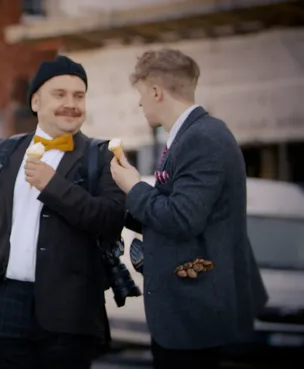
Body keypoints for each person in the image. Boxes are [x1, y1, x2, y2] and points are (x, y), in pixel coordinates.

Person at [109, 48, 268, 369]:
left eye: (141, 95)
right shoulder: (191, 135)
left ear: (156, 91)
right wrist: (119, 201)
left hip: (195, 314)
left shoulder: (203, 138)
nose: (139, 104)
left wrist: (133, 186)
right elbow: (171, 210)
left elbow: (182, 218)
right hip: (187, 312)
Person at [0, 55, 126, 369]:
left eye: (79, 96)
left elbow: (110, 220)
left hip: (73, 315)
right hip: (5, 306)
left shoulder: (104, 155)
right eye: (60, 94)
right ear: (36, 101)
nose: (71, 104)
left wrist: (52, 186)